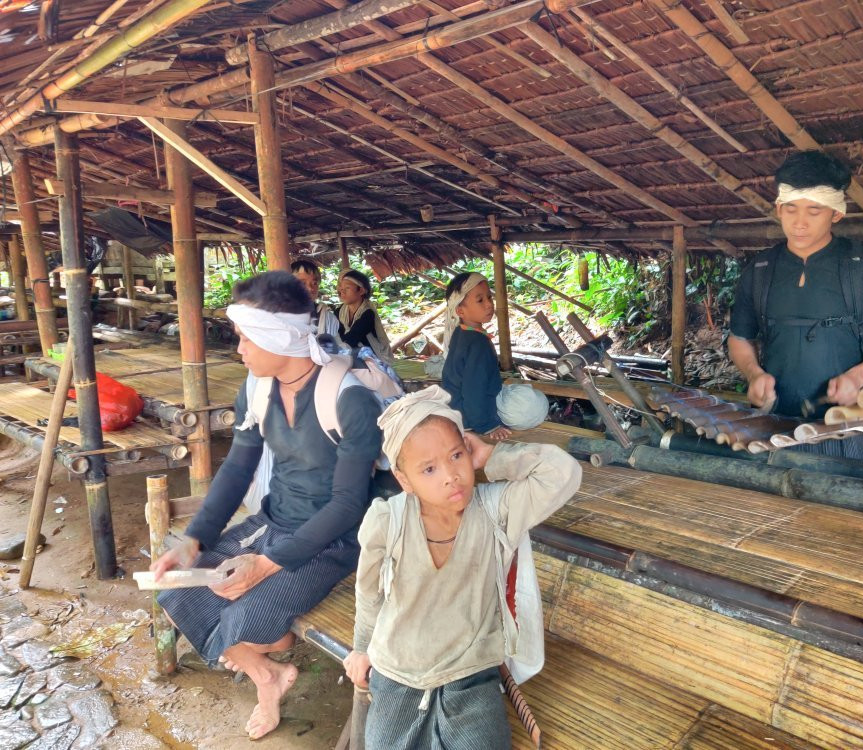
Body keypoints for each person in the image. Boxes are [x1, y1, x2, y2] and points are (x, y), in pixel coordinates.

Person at [152, 271, 383, 740]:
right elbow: (237, 470)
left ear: (278, 337)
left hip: (335, 538)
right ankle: (268, 677)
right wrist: (193, 541)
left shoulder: (349, 398)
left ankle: (268, 670)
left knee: (246, 619)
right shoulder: (256, 389)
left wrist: (265, 564)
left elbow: (347, 505)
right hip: (274, 522)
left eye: (245, 337)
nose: (238, 349)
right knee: (178, 589)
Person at [343, 386, 582, 750]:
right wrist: (361, 647)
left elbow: (562, 473)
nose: (450, 476)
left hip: (471, 670)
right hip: (398, 669)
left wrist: (493, 456)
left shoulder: (496, 509)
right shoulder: (385, 521)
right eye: (428, 468)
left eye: (456, 455)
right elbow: (369, 592)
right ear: (404, 480)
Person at [728, 150, 863, 459]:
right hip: (772, 421)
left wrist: (858, 376)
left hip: (843, 424)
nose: (800, 223)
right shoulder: (761, 269)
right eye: (790, 210)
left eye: (814, 211)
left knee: (838, 499)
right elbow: (740, 338)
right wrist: (754, 375)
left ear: (836, 214)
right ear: (778, 209)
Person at [441, 272, 549, 440]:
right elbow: (473, 390)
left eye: (489, 298)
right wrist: (488, 426)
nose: (489, 305)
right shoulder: (478, 343)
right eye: (480, 300)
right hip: (470, 416)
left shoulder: (461, 332)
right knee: (533, 406)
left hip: (457, 408)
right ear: (460, 311)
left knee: (529, 400)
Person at [336, 269, 393, 362]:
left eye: (347, 288)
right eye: (341, 289)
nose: (342, 292)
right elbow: (337, 334)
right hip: (354, 355)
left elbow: (352, 338)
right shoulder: (340, 311)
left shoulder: (368, 313)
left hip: (375, 359)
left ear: (361, 290)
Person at [291, 258, 346, 352]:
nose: (310, 288)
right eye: (302, 283)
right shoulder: (274, 317)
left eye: (314, 283)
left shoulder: (326, 317)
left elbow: (336, 352)